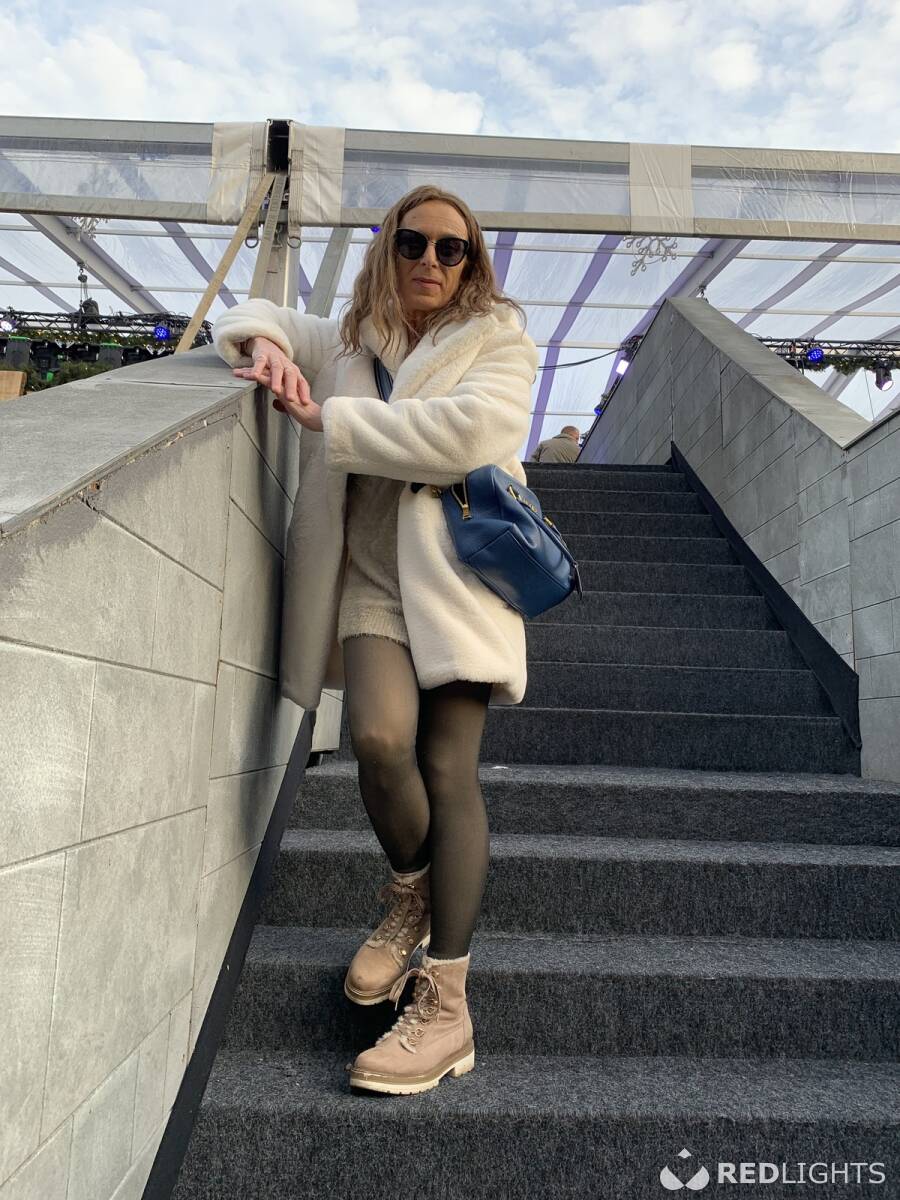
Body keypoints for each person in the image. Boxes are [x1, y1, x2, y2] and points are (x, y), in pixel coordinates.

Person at [212, 184, 538, 1096]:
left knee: (447, 766)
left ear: (472, 264)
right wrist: (266, 346)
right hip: (368, 581)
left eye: (451, 249)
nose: (430, 261)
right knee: (380, 740)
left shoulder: (498, 341)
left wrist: (333, 420)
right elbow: (251, 312)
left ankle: (447, 1004)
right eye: (412, 243)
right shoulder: (352, 339)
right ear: (387, 248)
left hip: (459, 583)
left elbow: (471, 434)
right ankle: (410, 896)